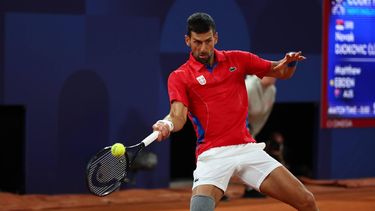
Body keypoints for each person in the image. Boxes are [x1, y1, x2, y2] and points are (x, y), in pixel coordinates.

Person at [152, 12, 318, 211]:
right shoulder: (180, 76)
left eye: (208, 41)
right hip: (213, 154)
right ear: (187, 40)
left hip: (246, 148)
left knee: (307, 201)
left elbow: (280, 71)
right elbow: (178, 115)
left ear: (216, 38)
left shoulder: (238, 59)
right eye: (197, 42)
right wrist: (167, 124)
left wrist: (290, 62)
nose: (203, 48)